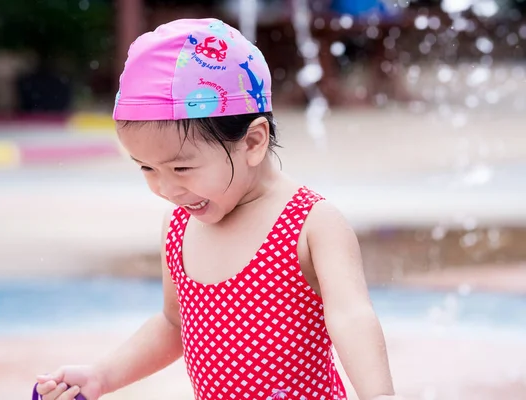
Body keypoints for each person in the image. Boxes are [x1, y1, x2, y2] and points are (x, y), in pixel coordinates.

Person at [34, 18, 400, 400]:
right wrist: (101, 377)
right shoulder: (178, 227)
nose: (166, 188)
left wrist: (379, 396)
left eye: (182, 168)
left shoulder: (311, 223)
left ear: (253, 142)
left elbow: (351, 317)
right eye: (147, 168)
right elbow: (173, 324)